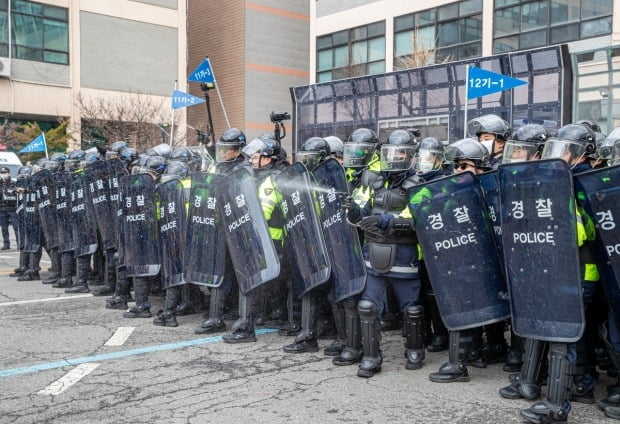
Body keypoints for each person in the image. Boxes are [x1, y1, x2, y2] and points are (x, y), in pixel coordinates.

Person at [518, 123, 600, 423]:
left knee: (563, 336)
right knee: (573, 336)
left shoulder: (584, 183)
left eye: (566, 149)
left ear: (583, 153)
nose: (561, 155)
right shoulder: (565, 178)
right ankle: (581, 387)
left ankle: (557, 407)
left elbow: (580, 232)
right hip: (564, 269)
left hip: (579, 269)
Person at [344, 129, 425, 377]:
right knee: (367, 306)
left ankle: (415, 349)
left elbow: (420, 219)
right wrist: (356, 213)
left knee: (411, 309)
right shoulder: (374, 181)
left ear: (411, 155)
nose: (396, 157)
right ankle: (371, 356)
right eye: (392, 152)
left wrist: (390, 222)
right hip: (373, 252)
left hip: (404, 255)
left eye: (401, 152)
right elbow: (364, 214)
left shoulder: (418, 183)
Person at [427, 138, 491, 383]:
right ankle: (466, 357)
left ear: (480, 167)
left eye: (464, 166)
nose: (457, 171)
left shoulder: (487, 190)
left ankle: (459, 364)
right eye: (455, 166)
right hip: (459, 258)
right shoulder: (451, 191)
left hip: (481, 260)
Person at [0, 166, 18, 250]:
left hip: (13, 209)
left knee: (16, 227)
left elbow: (18, 195)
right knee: (4, 228)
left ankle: (19, 244)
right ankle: (6, 244)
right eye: (2, 173)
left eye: (5, 173)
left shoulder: (14, 182)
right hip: (2, 209)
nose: (3, 174)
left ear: (9, 173)